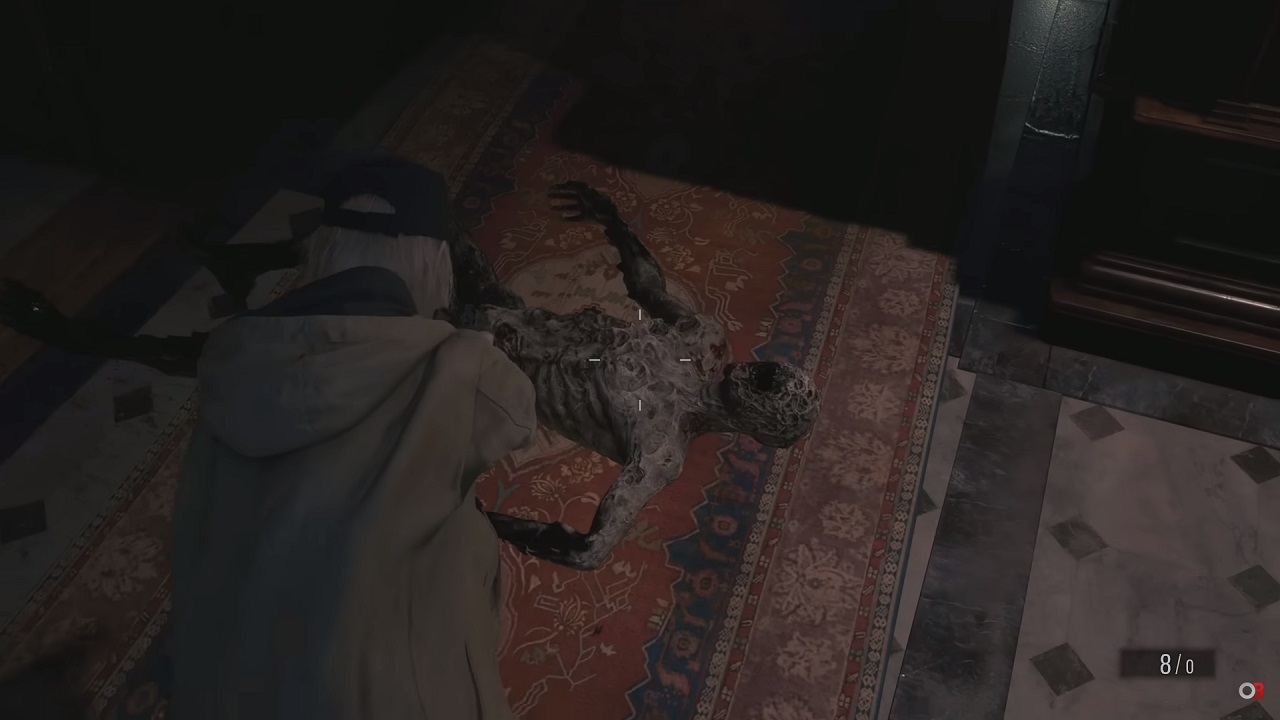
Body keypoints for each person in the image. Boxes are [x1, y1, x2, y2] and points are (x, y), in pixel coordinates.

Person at [168, 163, 534, 719]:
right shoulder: (459, 365)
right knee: (469, 551)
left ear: (321, 250)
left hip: (227, 689)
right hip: (380, 698)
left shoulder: (233, 359)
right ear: (434, 260)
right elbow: (519, 410)